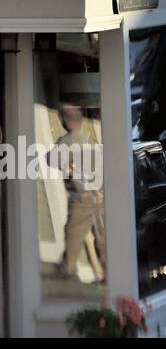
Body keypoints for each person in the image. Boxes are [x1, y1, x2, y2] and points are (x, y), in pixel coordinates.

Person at [53, 103, 106, 284]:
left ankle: (68, 269)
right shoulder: (91, 143)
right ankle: (105, 271)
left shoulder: (66, 142)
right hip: (99, 196)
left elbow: (52, 160)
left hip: (82, 198)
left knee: (73, 232)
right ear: (82, 121)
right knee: (101, 234)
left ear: (62, 120)